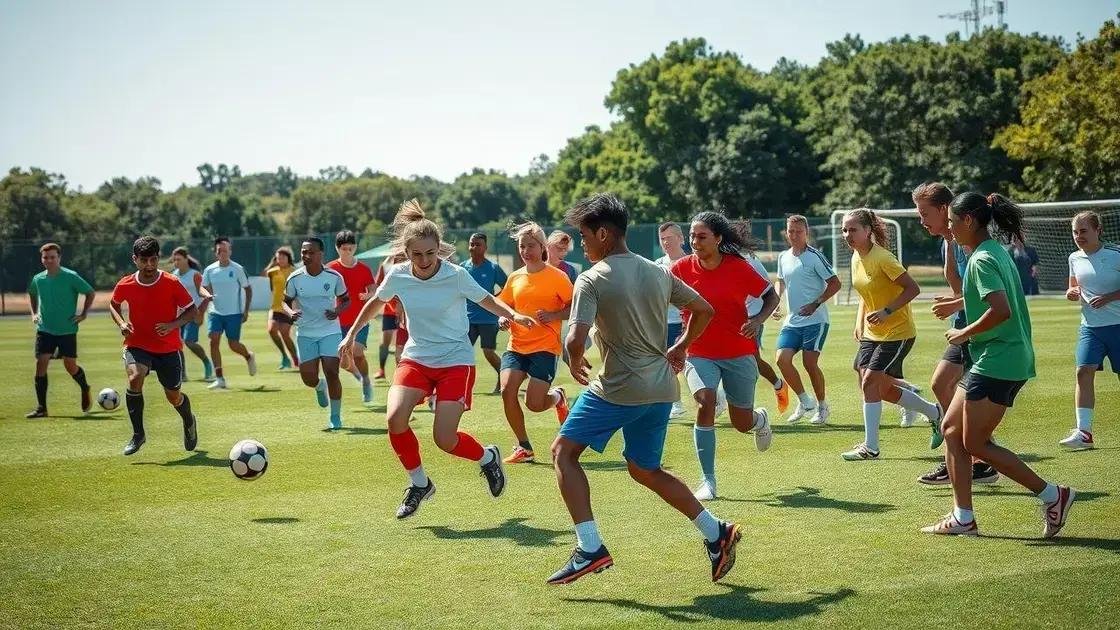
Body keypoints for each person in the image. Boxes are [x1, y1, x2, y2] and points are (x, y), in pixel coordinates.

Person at [547, 193, 741, 586]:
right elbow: (704, 310)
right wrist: (682, 345)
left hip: (619, 388)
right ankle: (715, 532)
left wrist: (573, 357)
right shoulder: (657, 271)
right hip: (661, 388)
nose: (582, 244)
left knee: (563, 453)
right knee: (644, 468)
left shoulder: (591, 278)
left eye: (584, 236)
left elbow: (575, 338)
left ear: (603, 234)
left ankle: (590, 548)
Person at [339, 199, 533, 519]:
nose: (424, 259)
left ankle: (487, 458)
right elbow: (376, 302)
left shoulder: (455, 275)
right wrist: (350, 335)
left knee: (444, 439)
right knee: (395, 419)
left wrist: (513, 315)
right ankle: (419, 483)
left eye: (430, 253)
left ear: (438, 249)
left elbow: (486, 299)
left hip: (455, 360)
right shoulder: (398, 275)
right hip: (416, 357)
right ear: (406, 252)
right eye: (417, 254)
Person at [921, 192, 1075, 537]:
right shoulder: (993, 253)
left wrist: (964, 331)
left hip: (1000, 359)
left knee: (975, 443)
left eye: (951, 222)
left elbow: (1001, 309)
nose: (948, 227)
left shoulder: (981, 260)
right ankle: (963, 517)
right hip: (995, 357)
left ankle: (1053, 495)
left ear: (969, 221)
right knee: (950, 429)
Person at [671, 212, 778, 502]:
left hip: (738, 351)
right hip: (698, 351)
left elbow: (771, 297)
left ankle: (759, 420)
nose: (694, 242)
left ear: (718, 239)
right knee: (705, 401)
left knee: (740, 422)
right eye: (692, 236)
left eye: (701, 236)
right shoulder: (679, 269)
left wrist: (758, 320)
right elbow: (657, 299)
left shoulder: (738, 268)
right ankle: (708, 481)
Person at [910, 183, 999, 485]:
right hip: (963, 326)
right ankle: (973, 457)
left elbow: (983, 294)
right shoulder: (950, 242)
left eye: (925, 214)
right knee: (940, 384)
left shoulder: (968, 243)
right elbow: (958, 286)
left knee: (950, 389)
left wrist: (954, 305)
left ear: (945, 208)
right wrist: (955, 302)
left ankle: (970, 456)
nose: (922, 221)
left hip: (977, 329)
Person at [842, 209, 942, 461]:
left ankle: (871, 447)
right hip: (872, 332)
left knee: (870, 382)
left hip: (898, 332)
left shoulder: (883, 258)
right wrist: (859, 322)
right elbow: (866, 295)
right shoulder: (856, 257)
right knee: (878, 386)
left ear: (868, 231)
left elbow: (913, 288)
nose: (847, 235)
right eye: (844, 230)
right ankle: (934, 412)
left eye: (853, 230)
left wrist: (887, 311)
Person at [108, 236, 200, 456]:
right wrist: (122, 323)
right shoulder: (126, 284)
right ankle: (138, 434)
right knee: (134, 377)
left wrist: (172, 325)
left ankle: (189, 420)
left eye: (153, 260)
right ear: (135, 259)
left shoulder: (171, 283)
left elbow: (191, 311)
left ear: (158, 258)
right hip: (137, 344)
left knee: (173, 396)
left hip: (168, 348)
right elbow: (114, 304)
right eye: (144, 260)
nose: (149, 265)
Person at [497, 222, 573, 464]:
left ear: (542, 247)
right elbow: (504, 305)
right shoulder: (515, 277)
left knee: (534, 404)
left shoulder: (557, 277)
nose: (526, 250)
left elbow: (575, 307)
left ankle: (557, 398)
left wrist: (553, 315)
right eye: (522, 246)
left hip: (545, 347)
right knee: (507, 390)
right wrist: (503, 317)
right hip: (516, 345)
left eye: (531, 245)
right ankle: (523, 447)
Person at [772, 215, 841, 425]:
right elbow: (780, 281)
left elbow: (835, 283)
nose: (794, 235)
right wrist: (777, 302)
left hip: (816, 320)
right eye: (790, 231)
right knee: (781, 360)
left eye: (798, 231)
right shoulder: (783, 257)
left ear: (806, 233)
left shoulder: (815, 257)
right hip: (792, 321)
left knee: (810, 364)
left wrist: (816, 303)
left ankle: (822, 406)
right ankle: (804, 401)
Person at [1061, 211, 1120, 450]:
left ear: (1098, 230)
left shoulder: (1116, 254)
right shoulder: (1074, 257)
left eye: (1083, 231)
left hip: (1118, 327)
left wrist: (1109, 298)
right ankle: (1084, 433)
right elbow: (1072, 288)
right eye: (1075, 232)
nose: (1078, 236)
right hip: (1090, 328)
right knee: (1083, 372)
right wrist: (1071, 293)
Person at [26, 242, 96, 418]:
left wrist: (83, 314)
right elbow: (32, 294)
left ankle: (84, 387)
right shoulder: (38, 279)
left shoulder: (71, 276)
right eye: (45, 257)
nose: (49, 260)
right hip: (45, 329)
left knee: (70, 366)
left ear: (59, 258)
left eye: (52, 257)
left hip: (67, 329)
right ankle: (42, 408)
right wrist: (34, 313)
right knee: (41, 363)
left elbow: (90, 292)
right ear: (42, 259)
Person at [286, 237, 349, 429]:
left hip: (330, 331)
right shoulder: (295, 278)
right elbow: (285, 301)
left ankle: (335, 417)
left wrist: (337, 311)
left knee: (332, 371)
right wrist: (290, 312)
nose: (306, 255)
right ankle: (319, 386)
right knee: (308, 378)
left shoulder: (334, 277)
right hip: (305, 332)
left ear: (321, 254)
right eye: (304, 252)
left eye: (310, 252)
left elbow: (346, 300)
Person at [741, 240, 791, 415]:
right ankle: (721, 401)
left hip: (751, 319)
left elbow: (768, 291)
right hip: (728, 320)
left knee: (752, 362)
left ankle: (779, 385)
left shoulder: (749, 260)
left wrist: (760, 318)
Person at [327, 231, 377, 404]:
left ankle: (366, 380)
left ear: (355, 247)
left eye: (350, 248)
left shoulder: (364, 269)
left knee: (357, 353)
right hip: (337, 321)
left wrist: (368, 295)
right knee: (343, 361)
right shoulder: (330, 269)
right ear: (337, 248)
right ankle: (360, 377)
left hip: (360, 319)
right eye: (343, 249)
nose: (347, 252)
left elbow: (373, 289)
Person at [202, 237, 257, 389]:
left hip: (234, 313)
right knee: (213, 340)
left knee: (233, 344)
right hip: (215, 312)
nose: (222, 253)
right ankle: (220, 378)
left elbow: (248, 289)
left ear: (230, 251)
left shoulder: (237, 269)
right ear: (215, 252)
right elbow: (204, 287)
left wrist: (245, 311)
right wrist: (208, 296)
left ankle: (248, 356)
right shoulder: (209, 270)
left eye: (225, 250)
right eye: (219, 250)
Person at [461, 232, 509, 394]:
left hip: (488, 318)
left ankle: (504, 377)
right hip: (468, 318)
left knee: (488, 351)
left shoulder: (493, 268)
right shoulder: (463, 267)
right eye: (471, 244)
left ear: (485, 248)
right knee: (462, 350)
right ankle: (461, 385)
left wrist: (494, 300)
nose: (473, 247)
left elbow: (507, 287)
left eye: (477, 244)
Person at [655, 222, 690, 418]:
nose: (666, 242)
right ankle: (676, 404)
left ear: (681, 238)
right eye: (662, 239)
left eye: (669, 238)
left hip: (687, 322)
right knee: (666, 363)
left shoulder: (692, 262)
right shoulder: (658, 264)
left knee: (689, 364)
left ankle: (716, 397)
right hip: (664, 323)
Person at [171, 247, 214, 382]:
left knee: (189, 342)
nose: (176, 262)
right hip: (178, 315)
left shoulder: (195, 275)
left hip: (193, 314)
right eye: (174, 260)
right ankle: (182, 374)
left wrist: (201, 312)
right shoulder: (173, 275)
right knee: (177, 344)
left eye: (179, 259)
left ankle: (207, 362)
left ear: (186, 259)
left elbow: (206, 295)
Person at [263, 247, 299, 370]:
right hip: (275, 307)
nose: (280, 260)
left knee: (285, 334)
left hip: (288, 308)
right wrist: (271, 264)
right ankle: (284, 356)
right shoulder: (272, 271)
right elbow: (264, 275)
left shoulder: (294, 271)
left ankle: (295, 358)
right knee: (271, 330)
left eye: (283, 257)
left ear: (288, 258)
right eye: (278, 257)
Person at [373, 253, 406, 379]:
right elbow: (378, 286)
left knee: (402, 345)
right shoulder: (386, 265)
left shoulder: (413, 263)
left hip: (406, 311)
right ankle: (381, 370)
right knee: (385, 342)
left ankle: (402, 376)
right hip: (389, 311)